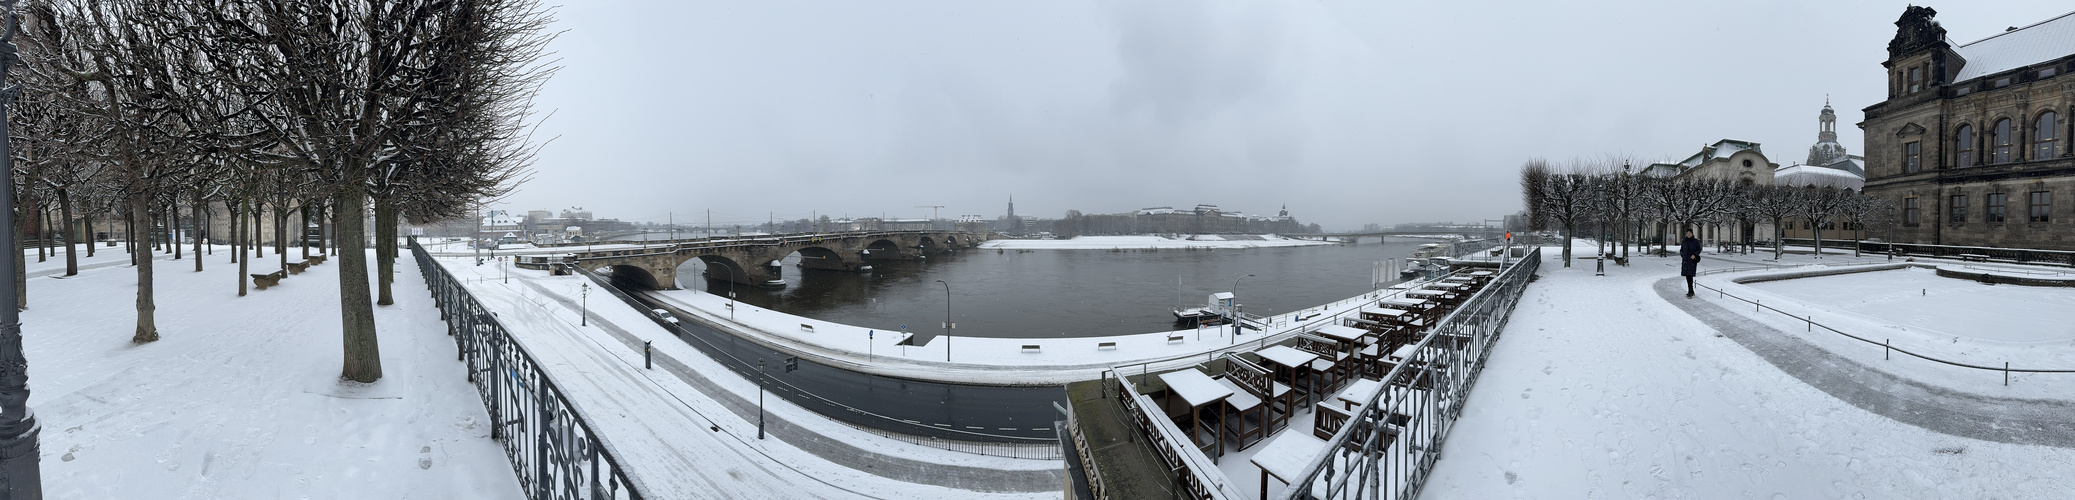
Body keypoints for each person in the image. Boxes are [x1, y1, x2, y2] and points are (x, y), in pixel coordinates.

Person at [1679, 229, 1702, 297]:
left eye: (1689, 233)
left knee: (1690, 275)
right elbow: (1681, 250)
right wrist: (1682, 255)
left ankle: (1690, 290)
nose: (1688, 234)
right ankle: (1691, 290)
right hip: (1685, 260)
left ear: (1692, 234)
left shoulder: (1695, 241)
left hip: (1692, 260)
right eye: (1687, 233)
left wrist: (1694, 255)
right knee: (1687, 275)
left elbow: (1699, 249)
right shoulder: (1684, 241)